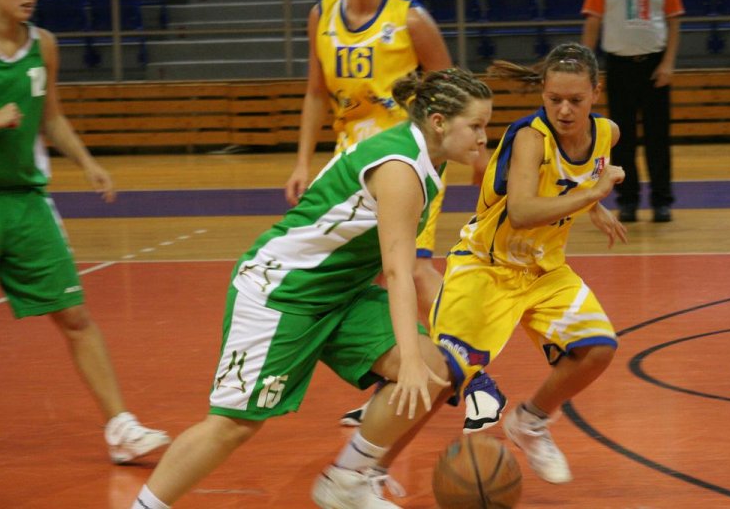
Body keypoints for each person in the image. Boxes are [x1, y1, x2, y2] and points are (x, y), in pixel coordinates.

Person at [131, 68, 493, 509]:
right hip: (283, 293)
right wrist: (409, 359)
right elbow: (399, 272)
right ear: (438, 122)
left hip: (341, 293)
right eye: (476, 126)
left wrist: (415, 360)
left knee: (434, 367)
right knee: (233, 425)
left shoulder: (425, 158)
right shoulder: (400, 168)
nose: (483, 138)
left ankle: (345, 482)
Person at [283, 0, 501, 433]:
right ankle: (397, 376)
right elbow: (315, 92)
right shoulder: (321, 15)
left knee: (415, 270)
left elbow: (454, 88)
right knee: (364, 275)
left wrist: (477, 154)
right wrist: (302, 162)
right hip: (351, 166)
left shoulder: (411, 19)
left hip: (409, 160)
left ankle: (474, 375)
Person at [0, 0, 170, 463]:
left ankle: (120, 428)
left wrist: (87, 162)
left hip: (25, 199)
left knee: (74, 314)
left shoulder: (44, 45)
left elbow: (53, 116)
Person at [425, 43, 627, 484]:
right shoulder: (531, 139)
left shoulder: (607, 133)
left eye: (576, 100)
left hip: (544, 270)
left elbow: (584, 171)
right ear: (543, 94)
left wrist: (594, 206)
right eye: (555, 99)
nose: (565, 110)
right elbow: (520, 211)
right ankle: (364, 463)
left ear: (596, 92)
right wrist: (593, 195)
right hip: (487, 267)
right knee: (443, 376)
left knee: (597, 348)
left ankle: (531, 421)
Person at [582, 0, 684, 223]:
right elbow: (593, 22)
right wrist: (586, 66)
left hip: (654, 65)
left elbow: (674, 21)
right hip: (619, 65)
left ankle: (662, 201)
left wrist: (668, 63)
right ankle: (627, 201)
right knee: (622, 139)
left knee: (658, 138)